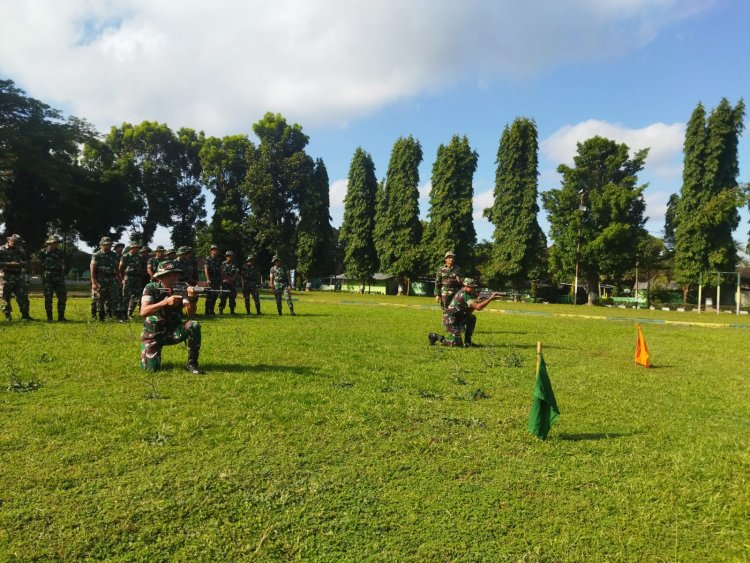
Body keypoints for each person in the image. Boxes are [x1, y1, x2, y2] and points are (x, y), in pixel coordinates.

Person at [139, 260, 203, 374]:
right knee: (151, 370)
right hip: (153, 335)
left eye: (175, 274)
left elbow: (191, 314)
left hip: (174, 332)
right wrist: (165, 302)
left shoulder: (182, 288)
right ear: (160, 277)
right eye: (168, 275)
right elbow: (143, 312)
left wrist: (192, 300)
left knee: (194, 325)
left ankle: (192, 364)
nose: (173, 278)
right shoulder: (151, 288)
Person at [428, 278, 498, 347]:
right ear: (466, 286)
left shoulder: (466, 293)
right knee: (456, 343)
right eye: (472, 287)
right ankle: (436, 337)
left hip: (457, 318)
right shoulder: (464, 294)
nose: (474, 289)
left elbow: (468, 311)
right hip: (450, 320)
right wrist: (490, 299)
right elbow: (478, 307)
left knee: (471, 317)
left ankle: (468, 342)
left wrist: (477, 301)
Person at [0, 234, 32, 321]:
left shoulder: (20, 250)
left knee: (23, 296)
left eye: (18, 243)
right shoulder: (2, 250)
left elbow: (25, 262)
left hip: (18, 276)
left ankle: (25, 316)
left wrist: (20, 263)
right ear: (9, 240)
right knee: (6, 297)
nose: (16, 244)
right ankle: (8, 316)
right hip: (6, 276)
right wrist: (9, 264)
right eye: (15, 242)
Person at [90, 236, 122, 322]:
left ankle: (116, 316)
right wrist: (93, 282)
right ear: (101, 245)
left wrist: (119, 279)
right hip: (100, 278)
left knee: (115, 297)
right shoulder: (96, 255)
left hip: (111, 278)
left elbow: (117, 268)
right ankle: (100, 316)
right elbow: (92, 269)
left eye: (110, 245)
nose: (108, 246)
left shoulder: (113, 255)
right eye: (106, 245)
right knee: (99, 297)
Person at [39, 235, 67, 322]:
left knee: (62, 296)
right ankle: (49, 317)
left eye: (57, 243)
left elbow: (63, 263)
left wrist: (62, 271)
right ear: (49, 243)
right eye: (54, 243)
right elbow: (39, 264)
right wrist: (42, 275)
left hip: (58, 277)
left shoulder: (60, 252)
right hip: (48, 277)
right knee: (48, 297)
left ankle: (61, 317)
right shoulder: (43, 252)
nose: (56, 244)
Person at [119, 240, 143, 319]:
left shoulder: (139, 256)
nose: (137, 249)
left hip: (137, 278)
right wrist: (122, 279)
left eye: (138, 248)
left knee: (136, 297)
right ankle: (123, 314)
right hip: (128, 277)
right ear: (131, 248)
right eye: (135, 248)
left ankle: (130, 313)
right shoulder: (125, 256)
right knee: (126, 296)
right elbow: (121, 268)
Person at [203, 244, 222, 316]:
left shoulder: (218, 259)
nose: (215, 251)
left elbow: (220, 270)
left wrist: (221, 279)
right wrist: (208, 279)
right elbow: (206, 269)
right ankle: (206, 311)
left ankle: (211, 311)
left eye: (216, 249)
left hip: (217, 280)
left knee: (215, 296)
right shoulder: (208, 259)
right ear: (211, 251)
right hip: (210, 280)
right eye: (213, 249)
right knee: (209, 296)